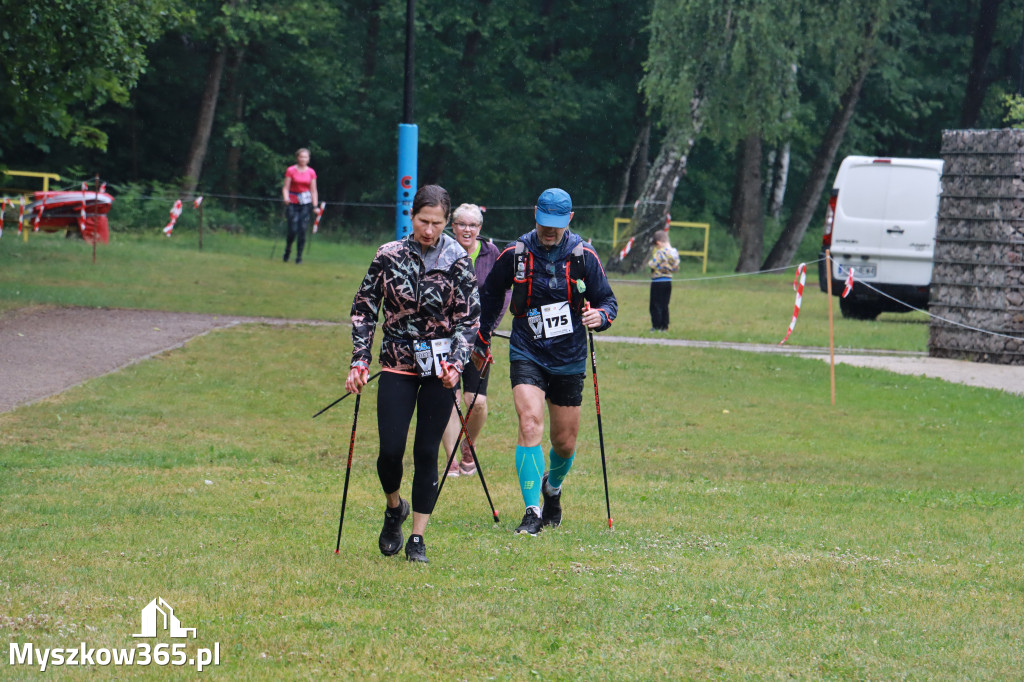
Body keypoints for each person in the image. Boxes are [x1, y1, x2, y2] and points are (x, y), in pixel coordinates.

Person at [345, 185, 480, 563]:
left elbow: (470, 319)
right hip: (397, 363)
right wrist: (360, 359)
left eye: (438, 223)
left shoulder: (456, 258)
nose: (430, 230)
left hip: (440, 369)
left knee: (426, 452)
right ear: (412, 216)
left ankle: (418, 537)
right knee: (390, 450)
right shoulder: (388, 256)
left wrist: (456, 361)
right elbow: (364, 306)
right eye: (424, 221)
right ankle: (394, 508)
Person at [473, 188, 617, 536]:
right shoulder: (516, 253)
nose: (548, 231)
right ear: (534, 214)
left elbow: (608, 302)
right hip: (528, 350)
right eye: (543, 223)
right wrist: (482, 334)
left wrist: (600, 316)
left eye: (555, 225)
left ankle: (552, 489)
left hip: (569, 356)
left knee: (564, 442)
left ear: (569, 219)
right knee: (529, 422)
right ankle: (532, 511)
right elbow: (491, 295)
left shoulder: (584, 256)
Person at [439, 204, 511, 479]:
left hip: (479, 336)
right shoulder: (442, 249)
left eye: (472, 225)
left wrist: (489, 326)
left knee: (476, 400)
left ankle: (469, 445)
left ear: (480, 229)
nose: (466, 230)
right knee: (451, 396)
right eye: (461, 224)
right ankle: (451, 459)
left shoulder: (492, 253)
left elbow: (503, 292)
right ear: (453, 226)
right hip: (445, 337)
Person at [281, 148, 318, 264]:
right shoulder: (291, 170)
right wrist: (285, 197)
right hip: (292, 202)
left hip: (305, 203)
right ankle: (287, 250)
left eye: (305, 157)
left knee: (302, 229)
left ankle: (299, 256)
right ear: (297, 158)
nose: (303, 159)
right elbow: (286, 187)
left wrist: (315, 205)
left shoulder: (311, 172)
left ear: (308, 159)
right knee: (293, 229)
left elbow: (313, 190)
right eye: (301, 157)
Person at [647, 229, 680, 331]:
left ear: (658, 243)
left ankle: (656, 326)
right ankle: (664, 326)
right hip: (668, 281)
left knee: (655, 305)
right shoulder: (674, 253)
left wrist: (650, 263)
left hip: (657, 281)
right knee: (665, 305)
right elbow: (676, 268)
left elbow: (652, 264)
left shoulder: (660, 252)